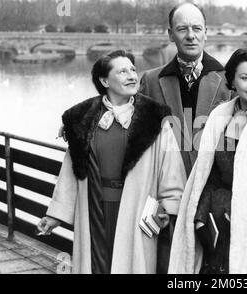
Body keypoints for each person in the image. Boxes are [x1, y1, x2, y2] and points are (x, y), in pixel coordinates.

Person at [36, 50, 186, 274]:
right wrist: (55, 215)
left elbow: (171, 168)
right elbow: (70, 171)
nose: (132, 76)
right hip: (94, 208)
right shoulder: (83, 119)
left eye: (133, 70)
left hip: (136, 211)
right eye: (123, 71)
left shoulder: (155, 120)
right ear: (105, 80)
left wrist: (168, 206)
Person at [168, 47, 247, 274]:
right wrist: (203, 217)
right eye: (245, 78)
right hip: (219, 226)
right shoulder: (219, 119)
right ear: (233, 81)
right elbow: (207, 176)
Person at [139, 2, 232, 176]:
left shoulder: (230, 80)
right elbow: (136, 143)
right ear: (170, 35)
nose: (191, 36)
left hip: (213, 193)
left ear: (206, 32)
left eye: (197, 28)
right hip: (166, 192)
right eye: (182, 29)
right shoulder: (150, 82)